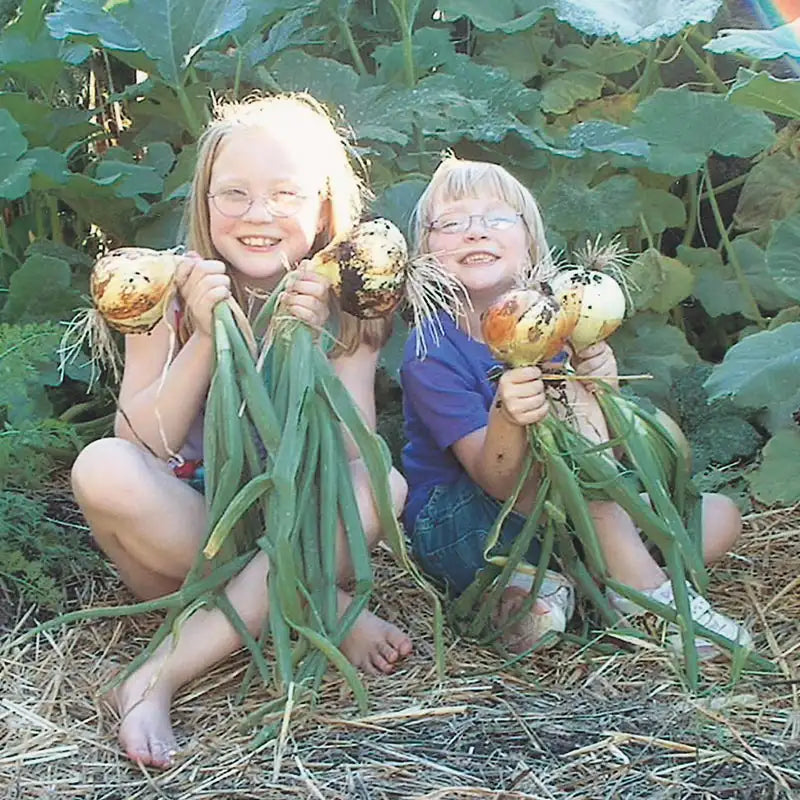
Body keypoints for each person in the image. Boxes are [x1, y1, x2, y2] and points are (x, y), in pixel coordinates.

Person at [70, 93, 411, 769]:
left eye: (285, 194)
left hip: (301, 526)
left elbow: (351, 455)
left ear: (323, 207)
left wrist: (310, 343)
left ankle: (158, 674)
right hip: (190, 542)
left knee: (385, 484)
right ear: (203, 203)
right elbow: (143, 444)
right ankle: (319, 602)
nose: (258, 214)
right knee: (100, 466)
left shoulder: (352, 297)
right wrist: (205, 336)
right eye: (234, 193)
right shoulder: (160, 288)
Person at [400, 155, 751, 656]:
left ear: (531, 244)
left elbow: (611, 455)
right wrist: (508, 414)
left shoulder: (560, 327)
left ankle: (567, 584)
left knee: (718, 516)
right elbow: (496, 480)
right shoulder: (431, 350)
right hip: (473, 520)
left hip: (567, 512)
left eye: (497, 218)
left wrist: (602, 393)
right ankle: (644, 594)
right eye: (451, 224)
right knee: (583, 492)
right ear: (425, 256)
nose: (475, 232)